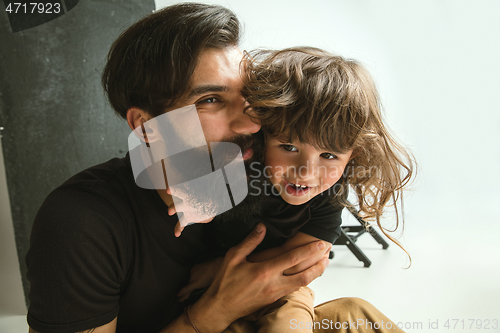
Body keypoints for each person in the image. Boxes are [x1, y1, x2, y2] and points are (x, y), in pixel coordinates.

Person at [26, 3, 408, 333]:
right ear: (146, 126)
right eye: (210, 100)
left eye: (250, 98)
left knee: (357, 315)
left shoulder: (264, 171)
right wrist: (218, 308)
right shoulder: (83, 222)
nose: (251, 124)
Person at [174, 48, 415, 333]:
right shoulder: (242, 167)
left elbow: (301, 257)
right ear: (264, 137)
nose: (306, 171)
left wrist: (218, 269)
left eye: (329, 156)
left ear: (354, 154)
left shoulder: (331, 194)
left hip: (282, 291)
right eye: (288, 147)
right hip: (211, 296)